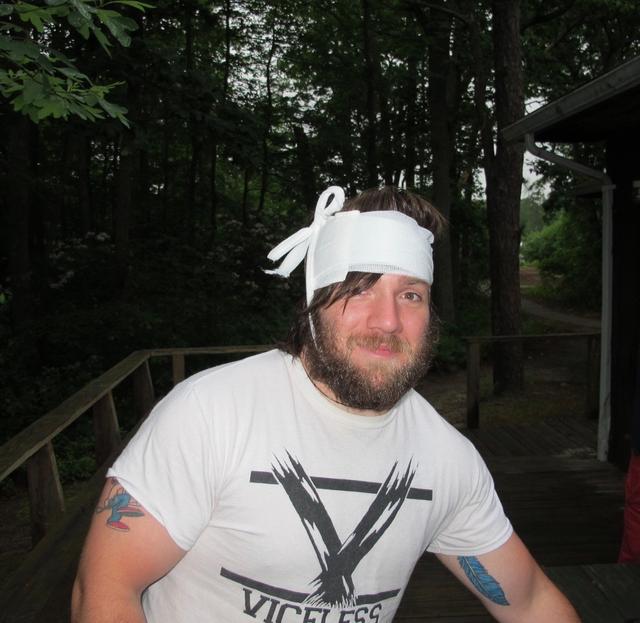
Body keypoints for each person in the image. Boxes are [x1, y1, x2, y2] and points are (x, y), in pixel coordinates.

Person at [72, 186, 580, 623]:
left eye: (410, 295)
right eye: (360, 290)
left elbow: (529, 602)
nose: (388, 321)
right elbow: (104, 589)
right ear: (312, 304)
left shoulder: (447, 460)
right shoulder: (210, 414)